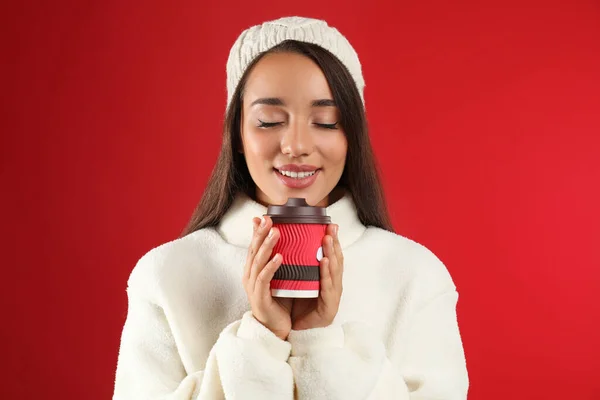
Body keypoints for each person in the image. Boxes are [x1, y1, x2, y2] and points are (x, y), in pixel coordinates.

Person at [113, 16, 469, 400]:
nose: (296, 144)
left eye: (326, 121)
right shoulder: (167, 276)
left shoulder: (415, 277)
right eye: (268, 121)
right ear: (237, 132)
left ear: (353, 135)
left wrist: (319, 343)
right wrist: (260, 339)